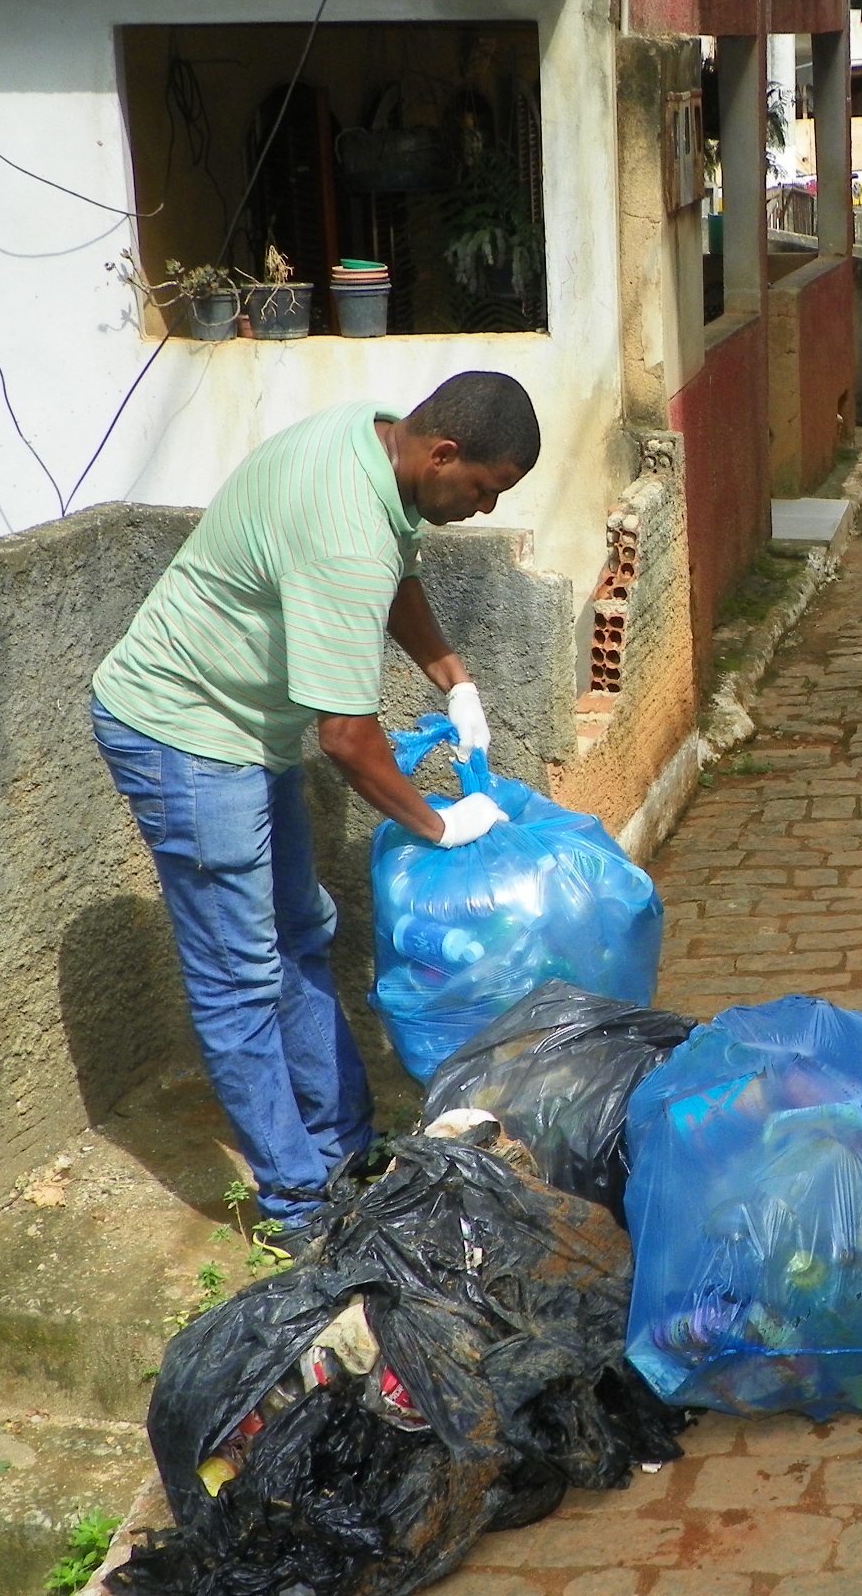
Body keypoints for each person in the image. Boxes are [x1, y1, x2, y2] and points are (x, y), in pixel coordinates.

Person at [89, 372, 540, 1230]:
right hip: (181, 736)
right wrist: (439, 824)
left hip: (245, 725)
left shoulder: (369, 436)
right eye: (483, 489)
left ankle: (343, 1148)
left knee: (303, 932)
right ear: (443, 453)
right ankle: (297, 1203)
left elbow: (397, 575)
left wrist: (455, 679)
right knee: (239, 977)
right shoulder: (345, 534)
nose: (483, 508)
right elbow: (345, 739)